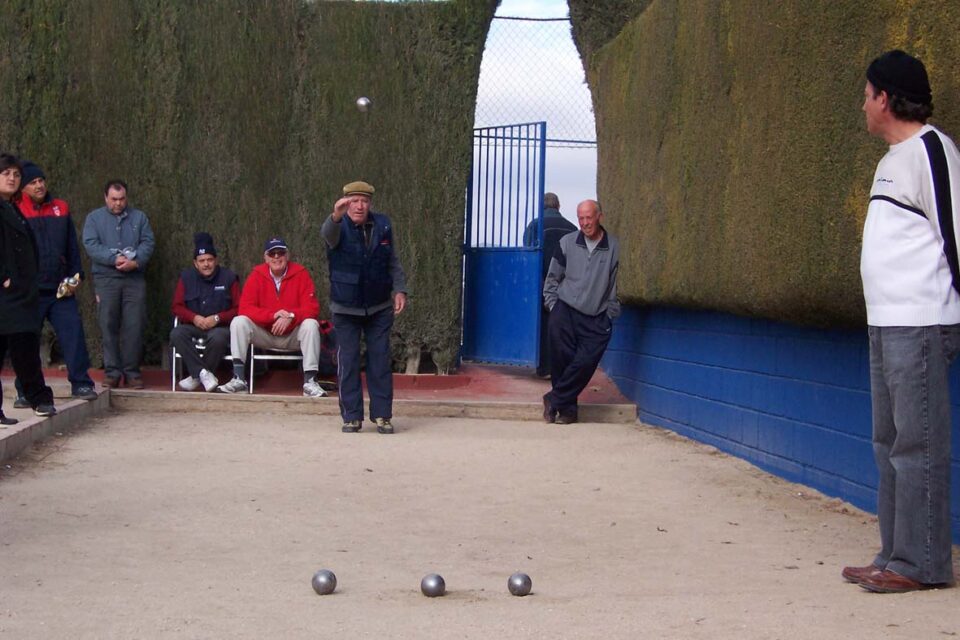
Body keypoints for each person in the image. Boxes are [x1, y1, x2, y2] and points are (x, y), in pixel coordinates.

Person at [843, 50, 960, 594]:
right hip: (886, 323)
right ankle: (893, 554)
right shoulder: (891, 159)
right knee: (887, 442)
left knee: (918, 445)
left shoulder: (932, 150)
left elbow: (956, 238)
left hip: (920, 321)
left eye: (867, 94)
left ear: (885, 98)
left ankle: (922, 564)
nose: (863, 105)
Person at [322, 180, 407, 434]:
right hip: (345, 307)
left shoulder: (383, 224)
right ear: (346, 203)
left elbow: (392, 260)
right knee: (347, 361)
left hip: (379, 306)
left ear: (370, 203)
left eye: (364, 201)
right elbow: (327, 234)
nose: (359, 206)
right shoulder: (337, 226)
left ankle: (382, 416)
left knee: (380, 361)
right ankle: (351, 416)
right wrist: (335, 216)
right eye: (354, 201)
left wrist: (400, 289)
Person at [9, 161, 97, 407]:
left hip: (60, 289)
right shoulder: (14, 211)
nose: (39, 185)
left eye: (41, 181)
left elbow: (71, 246)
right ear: (23, 188)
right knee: (25, 343)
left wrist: (76, 274)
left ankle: (81, 383)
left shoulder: (61, 208)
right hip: (30, 292)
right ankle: (25, 391)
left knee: (73, 335)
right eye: (33, 182)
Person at [217, 237, 326, 397]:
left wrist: (291, 316)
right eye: (272, 253)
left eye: (280, 252)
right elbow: (245, 308)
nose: (276, 257)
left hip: (293, 334)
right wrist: (272, 315)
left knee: (311, 324)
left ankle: (310, 382)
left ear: (287, 255)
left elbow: (312, 308)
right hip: (265, 333)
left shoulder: (301, 273)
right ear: (266, 257)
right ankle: (239, 379)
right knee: (239, 322)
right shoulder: (256, 275)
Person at [542, 199, 619, 425]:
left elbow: (616, 284)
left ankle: (553, 399)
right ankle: (567, 412)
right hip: (564, 310)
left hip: (597, 316)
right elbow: (553, 276)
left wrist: (611, 313)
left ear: (599, 217)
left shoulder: (614, 247)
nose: (585, 223)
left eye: (589, 217)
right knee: (561, 362)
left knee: (585, 363)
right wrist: (553, 305)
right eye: (581, 218)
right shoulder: (567, 242)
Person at [82, 180, 155, 389]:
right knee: (108, 324)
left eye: (122, 199)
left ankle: (132, 372)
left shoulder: (139, 217)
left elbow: (148, 242)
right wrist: (113, 258)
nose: (118, 203)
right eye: (114, 199)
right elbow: (91, 244)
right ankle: (112, 372)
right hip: (106, 279)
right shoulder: (94, 219)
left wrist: (136, 261)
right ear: (105, 197)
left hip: (134, 277)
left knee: (135, 325)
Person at [0, 153, 56, 422]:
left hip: (19, 294)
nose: (12, 178)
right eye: (6, 174)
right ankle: (39, 398)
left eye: (15, 174)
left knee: (22, 347)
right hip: (8, 295)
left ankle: (37, 398)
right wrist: (4, 277)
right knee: (24, 347)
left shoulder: (11, 207)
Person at [170, 232, 240, 392]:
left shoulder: (229, 277)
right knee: (176, 333)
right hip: (195, 325)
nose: (206, 264)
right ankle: (203, 373)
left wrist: (218, 317)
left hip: (220, 326)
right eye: (202, 261)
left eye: (209, 260)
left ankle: (196, 376)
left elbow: (239, 308)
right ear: (195, 263)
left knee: (219, 338)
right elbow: (177, 306)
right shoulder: (186, 277)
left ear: (216, 261)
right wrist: (193, 317)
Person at [523, 192, 576, 377]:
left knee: (541, 325)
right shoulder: (572, 228)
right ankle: (560, 367)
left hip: (540, 282)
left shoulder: (535, 226)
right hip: (565, 285)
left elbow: (527, 255)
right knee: (562, 325)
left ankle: (543, 367)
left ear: (541, 206)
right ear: (558, 206)